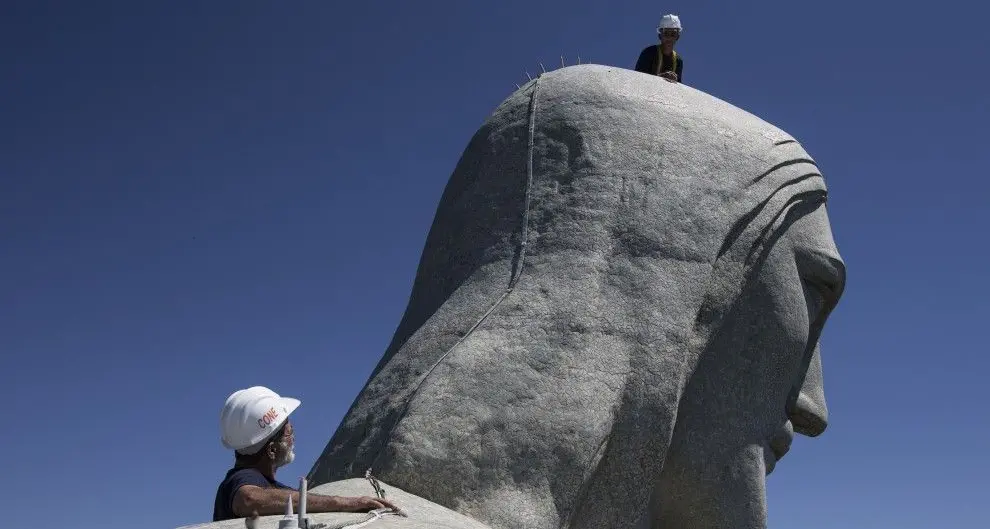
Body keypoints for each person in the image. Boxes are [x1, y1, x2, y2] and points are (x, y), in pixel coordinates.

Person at [213, 386, 402, 521]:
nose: (293, 438)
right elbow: (248, 499)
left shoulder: (264, 484)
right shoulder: (242, 479)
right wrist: (346, 503)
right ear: (272, 449)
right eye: (289, 432)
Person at [634, 14, 684, 83]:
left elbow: (678, 86)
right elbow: (637, 78)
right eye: (666, 33)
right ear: (660, 36)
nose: (669, 38)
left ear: (677, 37)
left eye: (673, 34)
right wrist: (660, 77)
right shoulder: (649, 52)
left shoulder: (678, 61)